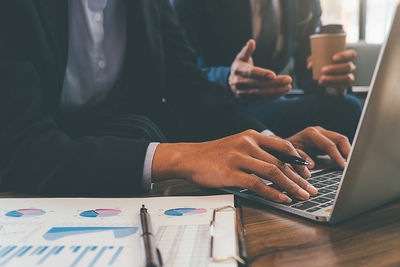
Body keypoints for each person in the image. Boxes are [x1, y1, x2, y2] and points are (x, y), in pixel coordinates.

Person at [0, 0, 350, 204]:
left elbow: (191, 91)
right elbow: (17, 151)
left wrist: (277, 146)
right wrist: (184, 157)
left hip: (121, 159)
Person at [171, 0, 362, 139]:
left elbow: (308, 74)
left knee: (347, 106)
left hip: (270, 104)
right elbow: (181, 72)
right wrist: (229, 78)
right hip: (215, 106)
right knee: (348, 110)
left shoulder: (305, 4)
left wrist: (330, 83)